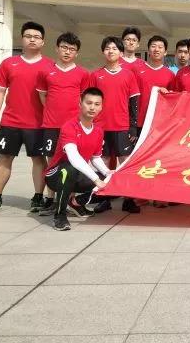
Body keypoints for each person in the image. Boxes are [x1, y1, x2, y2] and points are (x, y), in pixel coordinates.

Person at [0, 22, 54, 214]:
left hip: (38, 123)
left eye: (36, 37)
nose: (32, 39)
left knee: (39, 159)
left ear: (43, 42)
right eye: (28, 36)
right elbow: (0, 91)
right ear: (22, 39)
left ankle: (38, 197)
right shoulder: (9, 63)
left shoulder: (50, 66)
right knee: (4, 158)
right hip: (10, 121)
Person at [36, 32, 90, 215]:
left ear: (77, 53)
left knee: (73, 162)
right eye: (64, 48)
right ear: (57, 48)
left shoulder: (83, 73)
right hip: (51, 125)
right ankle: (51, 199)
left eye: (72, 49)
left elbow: (85, 100)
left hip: (74, 127)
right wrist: (52, 112)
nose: (67, 52)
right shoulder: (45, 71)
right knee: (52, 162)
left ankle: (69, 199)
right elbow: (43, 96)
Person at [44, 87, 111, 231]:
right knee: (69, 169)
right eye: (89, 103)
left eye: (97, 104)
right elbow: (73, 157)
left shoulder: (98, 130)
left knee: (111, 181)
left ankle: (76, 202)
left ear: (101, 107)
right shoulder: (69, 126)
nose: (92, 107)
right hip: (56, 175)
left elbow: (95, 158)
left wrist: (107, 173)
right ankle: (60, 216)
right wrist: (95, 179)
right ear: (80, 103)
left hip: (76, 175)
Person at [89, 36, 140, 213]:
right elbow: (90, 102)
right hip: (100, 128)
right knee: (102, 163)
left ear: (121, 52)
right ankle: (104, 199)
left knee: (125, 163)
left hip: (122, 127)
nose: (111, 51)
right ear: (103, 52)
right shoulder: (96, 75)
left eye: (114, 48)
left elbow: (134, 102)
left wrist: (133, 126)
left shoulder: (128, 75)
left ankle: (129, 199)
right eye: (107, 48)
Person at [136, 36, 176, 132]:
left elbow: (172, 100)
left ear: (165, 52)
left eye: (160, 47)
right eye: (153, 46)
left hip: (159, 124)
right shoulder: (137, 70)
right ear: (148, 50)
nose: (156, 49)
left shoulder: (170, 74)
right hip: (138, 122)